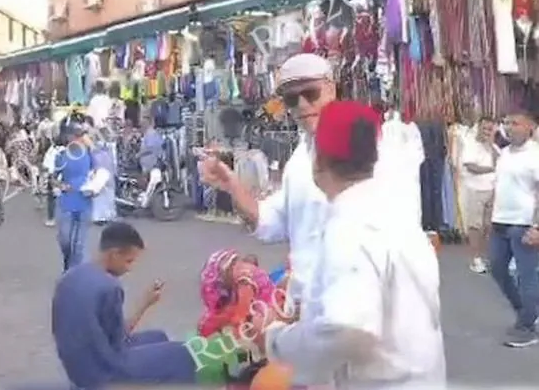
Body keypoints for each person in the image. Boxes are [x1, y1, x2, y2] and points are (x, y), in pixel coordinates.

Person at [199, 53, 417, 314]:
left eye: (311, 93)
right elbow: (268, 221)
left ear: (331, 89)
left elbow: (393, 243)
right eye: (291, 99)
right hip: (308, 313)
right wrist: (232, 184)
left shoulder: (375, 148)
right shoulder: (300, 160)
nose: (302, 105)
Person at [256, 100, 445, 389]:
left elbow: (347, 328)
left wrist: (276, 340)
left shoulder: (351, 227)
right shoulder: (396, 215)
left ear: (318, 161)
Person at [52, 221, 196, 389]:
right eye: (129, 261)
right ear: (114, 254)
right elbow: (121, 338)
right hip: (102, 372)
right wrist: (144, 304)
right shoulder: (109, 287)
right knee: (182, 354)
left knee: (158, 336)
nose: (130, 268)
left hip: (76, 364)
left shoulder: (70, 276)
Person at [489, 110, 539, 348]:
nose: (509, 127)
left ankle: (527, 326)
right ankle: (527, 312)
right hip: (499, 222)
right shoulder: (505, 154)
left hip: (523, 224)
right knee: (497, 268)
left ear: (530, 127)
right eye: (506, 123)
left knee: (526, 276)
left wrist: (537, 227)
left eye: (515, 123)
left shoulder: (536, 155)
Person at [460, 116, 498, 274]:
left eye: (490, 129)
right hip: (475, 189)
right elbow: (471, 166)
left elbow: (500, 163)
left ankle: (486, 257)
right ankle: (476, 259)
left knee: (489, 226)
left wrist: (491, 146)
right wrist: (491, 169)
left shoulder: (493, 147)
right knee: (475, 226)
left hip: (492, 189)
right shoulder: (470, 144)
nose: (487, 132)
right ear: (478, 128)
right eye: (484, 128)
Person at [53, 123, 94, 271]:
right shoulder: (62, 156)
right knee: (65, 240)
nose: (80, 139)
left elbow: (99, 172)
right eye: (77, 136)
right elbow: (53, 178)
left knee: (79, 244)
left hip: (84, 200)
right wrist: (61, 185)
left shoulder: (89, 154)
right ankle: (68, 263)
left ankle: (72, 271)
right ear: (69, 137)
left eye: (81, 136)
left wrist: (95, 185)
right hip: (67, 203)